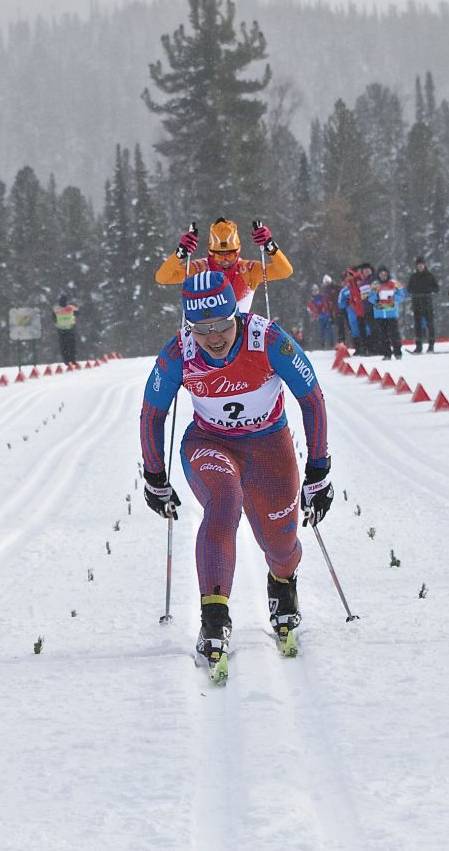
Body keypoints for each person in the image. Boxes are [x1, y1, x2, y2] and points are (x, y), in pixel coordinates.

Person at [139, 271, 331, 674]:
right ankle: (214, 617)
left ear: (237, 317)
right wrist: (155, 477)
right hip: (210, 444)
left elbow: (311, 398)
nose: (213, 337)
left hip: (269, 447)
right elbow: (152, 413)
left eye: (222, 324)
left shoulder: (269, 340)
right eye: (202, 328)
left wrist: (319, 469)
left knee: (280, 545)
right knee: (224, 502)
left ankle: (282, 584)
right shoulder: (179, 353)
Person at [155, 219, 293, 314]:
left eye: (231, 255)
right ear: (210, 253)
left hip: (239, 339)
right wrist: (179, 254)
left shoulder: (249, 270)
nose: (225, 260)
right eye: (219, 255)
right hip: (207, 338)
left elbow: (285, 271)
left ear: (238, 251)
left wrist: (271, 247)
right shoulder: (200, 269)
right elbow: (162, 278)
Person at [369, 266, 407, 359]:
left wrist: (394, 299)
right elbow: (370, 298)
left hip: (391, 313)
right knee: (383, 335)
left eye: (385, 274)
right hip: (380, 314)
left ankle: (397, 352)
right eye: (381, 275)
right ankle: (387, 354)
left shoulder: (394, 283)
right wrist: (376, 298)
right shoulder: (375, 284)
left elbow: (401, 294)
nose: (383, 276)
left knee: (394, 334)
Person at [408, 257, 438, 353]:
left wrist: (428, 290)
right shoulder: (413, 277)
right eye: (418, 265)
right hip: (417, 303)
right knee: (418, 325)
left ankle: (431, 345)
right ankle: (419, 346)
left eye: (421, 265)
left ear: (424, 265)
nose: (420, 267)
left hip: (427, 303)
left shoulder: (429, 276)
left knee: (430, 324)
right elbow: (409, 289)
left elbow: (436, 288)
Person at [305, 282, 334, 350]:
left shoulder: (322, 297)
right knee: (321, 332)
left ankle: (332, 344)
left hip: (326, 316)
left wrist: (322, 310)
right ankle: (322, 346)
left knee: (330, 331)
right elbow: (310, 309)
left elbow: (325, 305)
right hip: (319, 318)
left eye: (316, 290)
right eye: (313, 290)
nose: (315, 292)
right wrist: (315, 314)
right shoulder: (311, 300)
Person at [53, 294, 80, 364]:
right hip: (70, 330)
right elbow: (78, 313)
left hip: (61, 330)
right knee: (71, 346)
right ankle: (73, 360)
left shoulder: (56, 309)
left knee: (63, 347)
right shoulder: (70, 308)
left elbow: (53, 318)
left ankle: (66, 361)